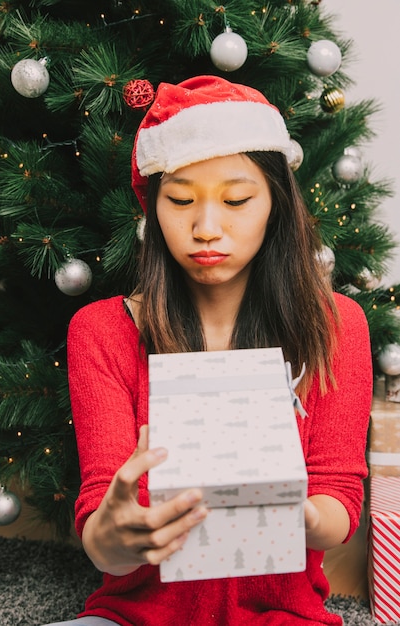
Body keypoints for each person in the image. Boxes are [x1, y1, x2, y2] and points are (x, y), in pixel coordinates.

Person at [44, 76, 373, 625]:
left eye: (237, 199)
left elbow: (339, 499)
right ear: (153, 205)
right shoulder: (101, 330)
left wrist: (297, 511)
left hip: (281, 617)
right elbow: (102, 535)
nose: (206, 227)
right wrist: (114, 531)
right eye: (180, 200)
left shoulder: (337, 325)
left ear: (276, 203)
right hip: (133, 618)